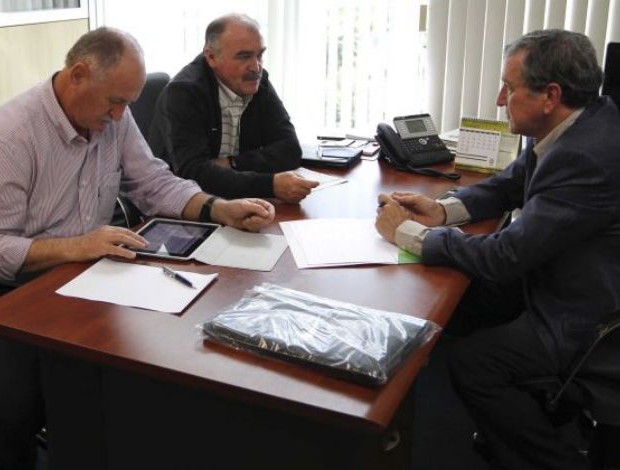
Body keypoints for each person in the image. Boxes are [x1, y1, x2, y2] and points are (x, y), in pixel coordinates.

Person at [0, 26, 275, 468]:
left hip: (88, 276)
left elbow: (151, 181)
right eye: (114, 101)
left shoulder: (112, 114)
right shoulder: (13, 136)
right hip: (20, 294)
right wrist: (76, 245)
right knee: (19, 415)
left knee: (144, 376)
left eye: (126, 102)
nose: (119, 116)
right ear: (77, 75)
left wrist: (217, 208)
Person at [375, 29, 620, 469]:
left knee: (474, 364)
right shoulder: (577, 120)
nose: (499, 99)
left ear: (550, 94)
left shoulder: (588, 155)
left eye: (509, 87)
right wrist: (441, 210)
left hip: (586, 315)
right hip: (555, 272)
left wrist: (410, 234)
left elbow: (506, 257)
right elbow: (510, 184)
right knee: (457, 306)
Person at [149, 13, 318, 203]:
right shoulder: (184, 93)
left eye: (260, 55)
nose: (256, 67)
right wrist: (269, 185)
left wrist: (232, 163)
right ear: (211, 57)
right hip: (184, 206)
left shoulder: (258, 81)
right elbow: (194, 174)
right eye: (244, 56)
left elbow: (290, 150)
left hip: (240, 200)